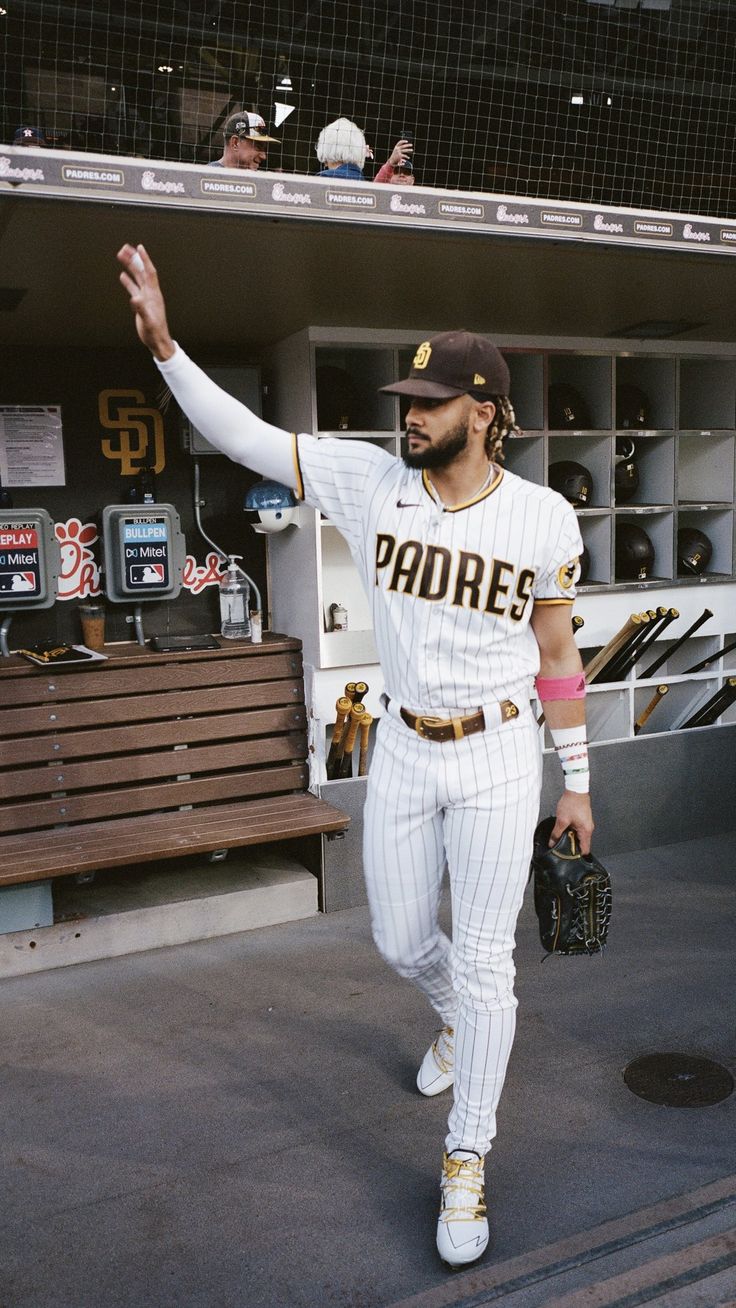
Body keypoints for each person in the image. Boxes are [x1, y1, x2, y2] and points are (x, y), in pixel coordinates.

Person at [116, 242, 594, 1270]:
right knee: (396, 941)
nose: (408, 414)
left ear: (484, 412)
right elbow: (245, 436)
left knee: (485, 963)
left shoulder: (541, 516)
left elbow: (558, 655)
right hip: (406, 749)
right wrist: (164, 347)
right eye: (406, 398)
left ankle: (465, 1155)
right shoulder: (369, 479)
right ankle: (454, 1025)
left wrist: (580, 782)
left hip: (503, 755)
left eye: (429, 402)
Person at [315, 117, 414, 185]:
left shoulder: (324, 181)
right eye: (397, 172)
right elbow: (377, 192)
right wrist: (390, 164)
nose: (402, 175)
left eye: (406, 173)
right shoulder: (362, 184)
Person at [209, 110, 279, 171]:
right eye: (258, 147)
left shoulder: (256, 182)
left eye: (264, 149)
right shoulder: (206, 178)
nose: (264, 156)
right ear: (235, 143)